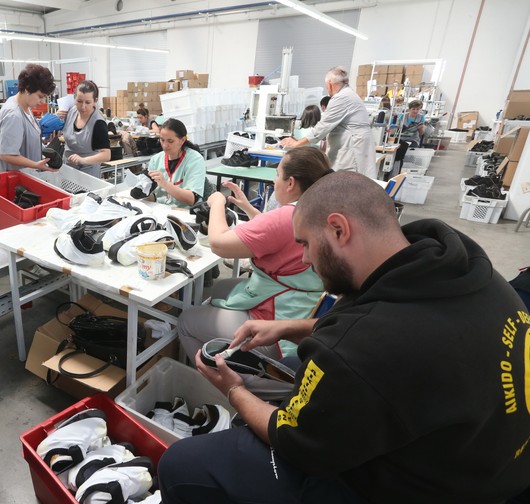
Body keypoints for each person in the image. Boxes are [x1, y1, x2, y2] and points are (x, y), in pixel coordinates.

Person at [158, 171, 530, 503]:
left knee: (181, 464)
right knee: (295, 363)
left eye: (305, 243)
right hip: (488, 460)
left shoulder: (365, 349)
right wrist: (289, 326)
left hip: (426, 488)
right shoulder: (463, 272)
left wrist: (233, 390)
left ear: (339, 229)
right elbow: (384, 336)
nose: (305, 259)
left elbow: (294, 439)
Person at [177, 147, 329, 399]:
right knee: (220, 289)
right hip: (304, 307)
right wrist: (248, 208)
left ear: (291, 183)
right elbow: (277, 234)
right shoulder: (316, 207)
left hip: (279, 327)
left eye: (277, 174)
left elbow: (219, 243)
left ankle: (224, 390)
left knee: (186, 320)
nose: (274, 180)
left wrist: (217, 202)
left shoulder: (287, 215)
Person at [281, 67, 376, 179]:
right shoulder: (350, 94)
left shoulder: (341, 98)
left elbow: (322, 127)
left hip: (352, 149)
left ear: (329, 84)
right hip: (357, 146)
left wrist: (296, 144)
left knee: (346, 181)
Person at [0, 63, 56, 173]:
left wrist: (44, 145)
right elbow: (7, 155)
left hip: (27, 176)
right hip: (14, 179)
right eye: (40, 96)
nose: (42, 101)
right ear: (27, 89)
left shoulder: (26, 107)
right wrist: (35, 165)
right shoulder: (14, 115)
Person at [146, 118, 205, 209]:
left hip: (184, 212)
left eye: (170, 141)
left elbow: (191, 199)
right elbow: (154, 195)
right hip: (160, 210)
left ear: (182, 140)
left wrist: (165, 184)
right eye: (162, 140)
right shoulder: (156, 160)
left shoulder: (195, 160)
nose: (165, 145)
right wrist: (144, 193)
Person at [58, 80, 111, 177]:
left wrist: (83, 160)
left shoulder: (98, 123)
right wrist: (56, 117)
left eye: (87, 102)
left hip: (87, 173)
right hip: (67, 169)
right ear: (74, 98)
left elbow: (106, 155)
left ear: (95, 101)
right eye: (79, 101)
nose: (83, 107)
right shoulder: (71, 112)